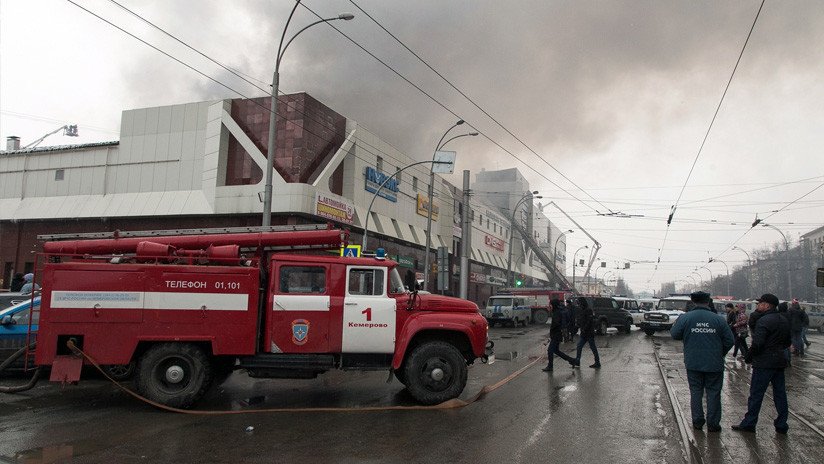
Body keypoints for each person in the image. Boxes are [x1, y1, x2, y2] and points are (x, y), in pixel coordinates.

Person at [670, 291, 734, 432]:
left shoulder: (685, 318)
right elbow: (730, 340)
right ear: (708, 301)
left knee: (696, 391)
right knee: (714, 392)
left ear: (692, 302)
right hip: (714, 363)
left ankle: (698, 421)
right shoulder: (718, 319)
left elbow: (674, 334)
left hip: (693, 362)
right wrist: (720, 353)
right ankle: (713, 424)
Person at [732, 293, 792, 434]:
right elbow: (788, 342)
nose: (758, 306)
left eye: (760, 303)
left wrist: (748, 356)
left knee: (756, 394)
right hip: (779, 362)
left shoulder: (764, 321)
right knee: (780, 394)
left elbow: (757, 343)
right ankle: (782, 424)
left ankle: (749, 423)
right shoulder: (783, 320)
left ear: (767, 305)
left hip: (764, 363)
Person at [542, 299, 578, 372]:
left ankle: (550, 366)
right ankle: (572, 360)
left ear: (554, 305)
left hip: (556, 334)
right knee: (556, 351)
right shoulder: (557, 311)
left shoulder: (557, 313)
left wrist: (551, 334)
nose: (550, 306)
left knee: (550, 350)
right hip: (557, 334)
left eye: (551, 305)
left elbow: (556, 324)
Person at [574, 296, 601, 368]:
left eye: (579, 302)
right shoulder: (582, 310)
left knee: (593, 348)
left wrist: (584, 328)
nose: (578, 304)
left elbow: (589, 321)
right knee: (579, 346)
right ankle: (577, 361)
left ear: (582, 303)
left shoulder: (588, 310)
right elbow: (581, 320)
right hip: (584, 333)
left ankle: (597, 362)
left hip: (589, 333)